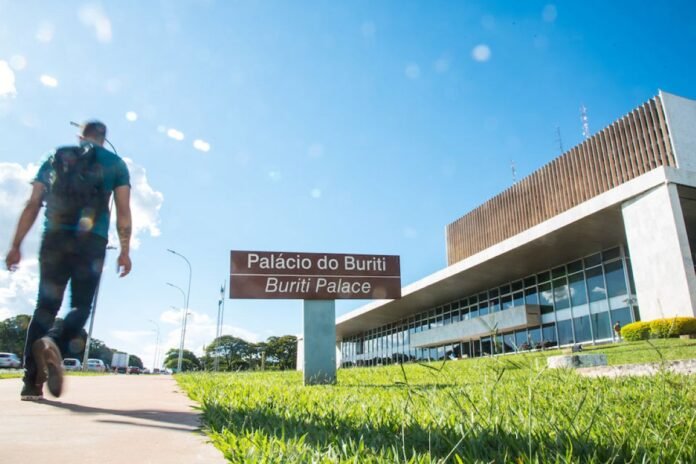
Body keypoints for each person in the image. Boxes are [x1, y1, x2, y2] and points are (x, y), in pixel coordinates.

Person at [5, 121, 132, 401]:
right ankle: (53, 342)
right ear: (103, 138)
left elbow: (33, 203)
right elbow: (123, 211)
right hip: (92, 241)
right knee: (81, 305)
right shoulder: (115, 164)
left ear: (80, 136)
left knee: (45, 306)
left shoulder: (55, 156)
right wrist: (124, 250)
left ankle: (31, 384)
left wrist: (16, 245)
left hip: (54, 237)